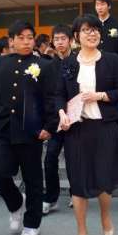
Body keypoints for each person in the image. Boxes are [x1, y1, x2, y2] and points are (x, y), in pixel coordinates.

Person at [57, 14, 118, 235]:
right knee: (78, 183)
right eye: (86, 30)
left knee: (104, 180)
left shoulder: (111, 60)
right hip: (77, 130)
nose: (92, 33)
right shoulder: (68, 63)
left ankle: (105, 216)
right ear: (76, 36)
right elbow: (58, 94)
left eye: (96, 29)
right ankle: (81, 232)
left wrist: (100, 96)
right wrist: (61, 113)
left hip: (104, 127)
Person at [0, 20, 57, 235]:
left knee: (33, 180)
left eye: (30, 37)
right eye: (21, 38)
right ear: (11, 41)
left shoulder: (44, 65)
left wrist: (49, 127)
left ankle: (32, 224)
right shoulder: (0, 62)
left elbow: (50, 98)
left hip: (31, 131)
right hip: (5, 129)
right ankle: (16, 203)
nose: (26, 42)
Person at [43, 24, 73, 215]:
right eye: (56, 39)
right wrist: (50, 122)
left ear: (70, 40)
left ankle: (76, 193)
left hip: (76, 120)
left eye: (63, 38)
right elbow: (47, 96)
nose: (60, 42)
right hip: (56, 121)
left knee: (73, 160)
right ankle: (51, 198)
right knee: (50, 159)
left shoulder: (78, 61)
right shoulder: (48, 66)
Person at [94, 0, 118, 66]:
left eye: (102, 4)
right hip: (94, 65)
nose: (99, 7)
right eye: (97, 4)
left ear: (109, 6)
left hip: (113, 66)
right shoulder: (92, 26)